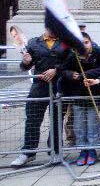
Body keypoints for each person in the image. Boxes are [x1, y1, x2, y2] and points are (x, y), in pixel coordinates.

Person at [11, 28, 67, 167]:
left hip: (58, 86)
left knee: (57, 120)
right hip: (39, 87)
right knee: (32, 120)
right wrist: (25, 62)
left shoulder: (65, 43)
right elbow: (25, 66)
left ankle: (55, 150)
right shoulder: (34, 43)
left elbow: (71, 62)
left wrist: (57, 69)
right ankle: (28, 152)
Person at [59, 33, 100, 166]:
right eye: (81, 43)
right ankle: (82, 150)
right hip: (77, 94)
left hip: (93, 94)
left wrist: (84, 75)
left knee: (92, 124)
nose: (84, 45)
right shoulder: (72, 54)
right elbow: (62, 69)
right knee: (79, 124)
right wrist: (70, 74)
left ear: (91, 42)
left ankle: (92, 150)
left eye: (86, 42)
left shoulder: (98, 52)